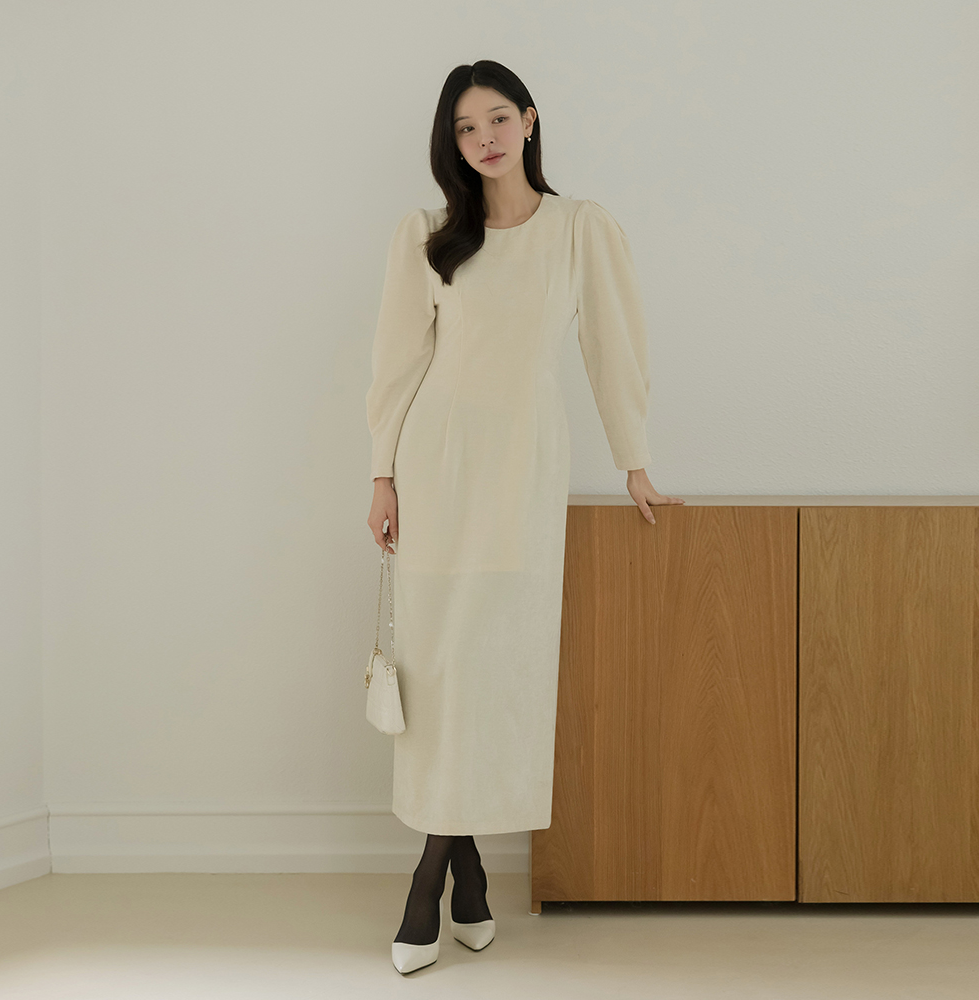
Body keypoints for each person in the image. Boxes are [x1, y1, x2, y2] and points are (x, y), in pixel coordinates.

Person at [365, 60, 685, 975]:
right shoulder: (426, 235)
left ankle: (442, 872)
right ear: (453, 143)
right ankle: (453, 878)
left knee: (493, 668)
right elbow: (397, 361)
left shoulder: (580, 229)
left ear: (531, 121)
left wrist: (634, 460)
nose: (485, 139)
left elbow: (613, 345)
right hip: (436, 471)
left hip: (522, 473)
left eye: (498, 119)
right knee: (440, 676)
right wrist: (382, 475)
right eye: (466, 129)